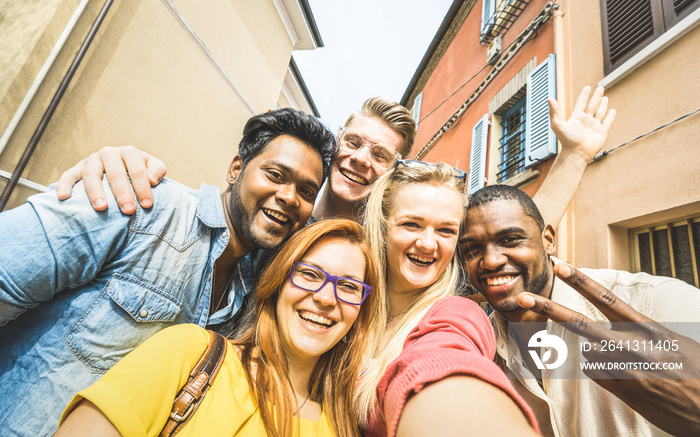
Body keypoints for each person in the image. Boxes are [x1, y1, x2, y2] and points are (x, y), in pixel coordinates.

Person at [0, 108, 335, 436]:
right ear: (236, 169)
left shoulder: (260, 289)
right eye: (275, 175)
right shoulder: (140, 206)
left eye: (307, 191)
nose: (290, 197)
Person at [55, 86, 614, 227]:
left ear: (394, 170)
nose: (360, 160)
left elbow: (507, 231)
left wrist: (573, 158)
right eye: (354, 144)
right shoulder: (277, 205)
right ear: (337, 142)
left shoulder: (393, 230)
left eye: (380, 155)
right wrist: (119, 158)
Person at [56, 219, 379, 437]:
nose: (325, 298)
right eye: (310, 274)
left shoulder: (343, 427)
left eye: (350, 287)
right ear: (278, 282)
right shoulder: (188, 354)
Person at [460, 184, 700, 437]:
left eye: (510, 240)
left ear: (548, 240)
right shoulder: (479, 347)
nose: (491, 260)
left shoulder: (652, 299)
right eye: (472, 249)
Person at [354, 161, 539, 437]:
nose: (428, 244)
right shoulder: (345, 299)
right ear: (382, 227)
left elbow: (444, 365)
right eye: (412, 224)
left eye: (446, 230)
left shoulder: (458, 314)